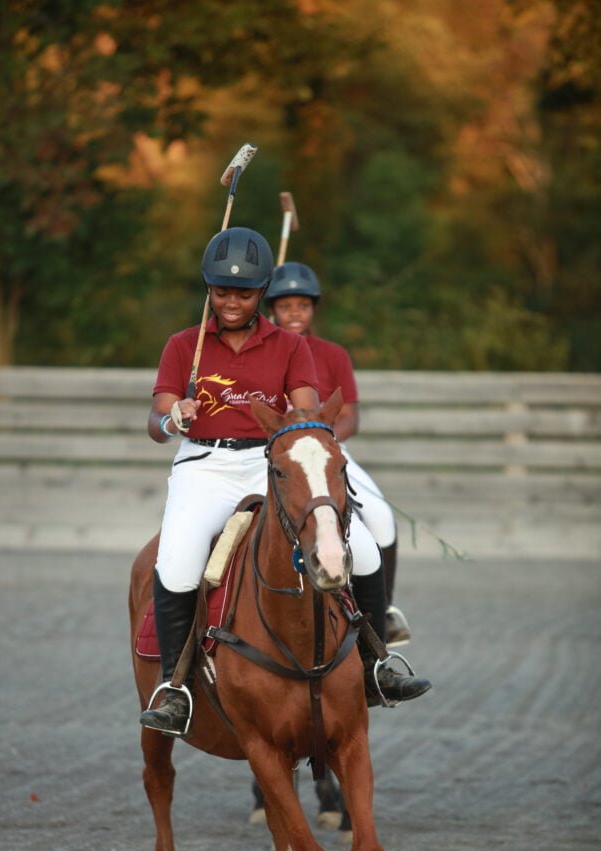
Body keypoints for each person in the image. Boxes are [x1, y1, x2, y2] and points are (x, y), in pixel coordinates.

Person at [139, 227, 429, 737]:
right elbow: (156, 418)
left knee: (362, 546)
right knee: (178, 564)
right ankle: (176, 689)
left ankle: (374, 667)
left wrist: (301, 421)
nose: (232, 302)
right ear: (208, 288)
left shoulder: (291, 346)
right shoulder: (185, 345)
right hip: (204, 467)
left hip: (268, 463)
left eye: (245, 293)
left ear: (262, 295)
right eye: (222, 291)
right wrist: (174, 417)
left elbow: (305, 406)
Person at [264, 261, 412, 648]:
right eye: (285, 306)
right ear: (271, 310)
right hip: (276, 455)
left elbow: (350, 415)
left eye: (303, 305)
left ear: (314, 309)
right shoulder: (264, 351)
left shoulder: (333, 354)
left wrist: (326, 442)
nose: (294, 313)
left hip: (327, 450)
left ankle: (385, 611)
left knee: (379, 514)